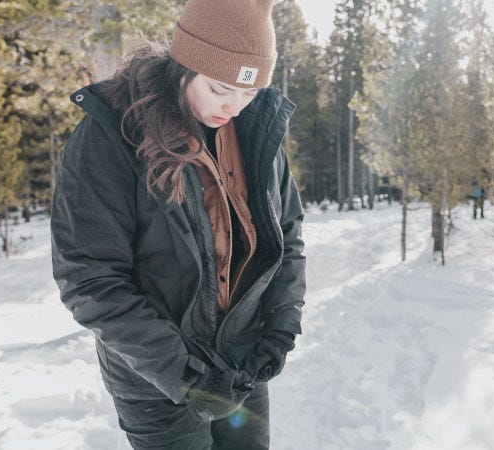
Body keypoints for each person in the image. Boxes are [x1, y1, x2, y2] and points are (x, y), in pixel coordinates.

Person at [50, 0, 306, 448]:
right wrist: (186, 377)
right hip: (158, 379)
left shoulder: (255, 129)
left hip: (240, 362)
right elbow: (88, 277)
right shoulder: (113, 132)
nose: (234, 107)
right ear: (186, 63)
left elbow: (287, 237)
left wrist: (281, 326)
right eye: (220, 87)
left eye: (248, 93)